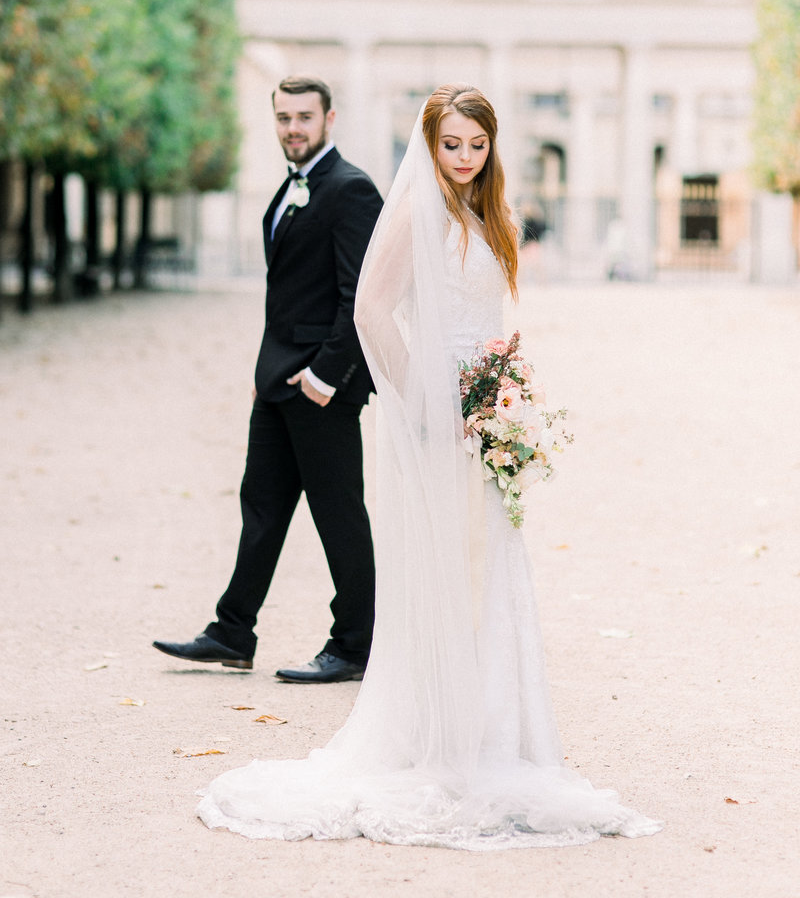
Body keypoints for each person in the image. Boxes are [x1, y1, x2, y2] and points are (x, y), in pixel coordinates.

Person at [196, 85, 661, 848]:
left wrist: (504, 395)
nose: (465, 158)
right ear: (431, 142)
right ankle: (441, 734)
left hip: (488, 408)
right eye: (452, 145)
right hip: (443, 413)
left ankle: (492, 728)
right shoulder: (418, 211)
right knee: (446, 564)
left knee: (490, 563)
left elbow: (484, 319)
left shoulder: (485, 211)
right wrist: (421, 401)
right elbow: (372, 310)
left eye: (477, 146)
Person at [153, 76, 382, 683]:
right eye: (283, 117)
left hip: (321, 389)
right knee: (261, 508)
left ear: (330, 118)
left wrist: (324, 376)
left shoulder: (352, 189)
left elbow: (362, 298)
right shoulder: (290, 187)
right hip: (277, 382)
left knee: (338, 514)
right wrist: (267, 373)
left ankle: (356, 644)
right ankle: (233, 632)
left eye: (304, 117)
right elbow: (287, 294)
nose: (293, 128)